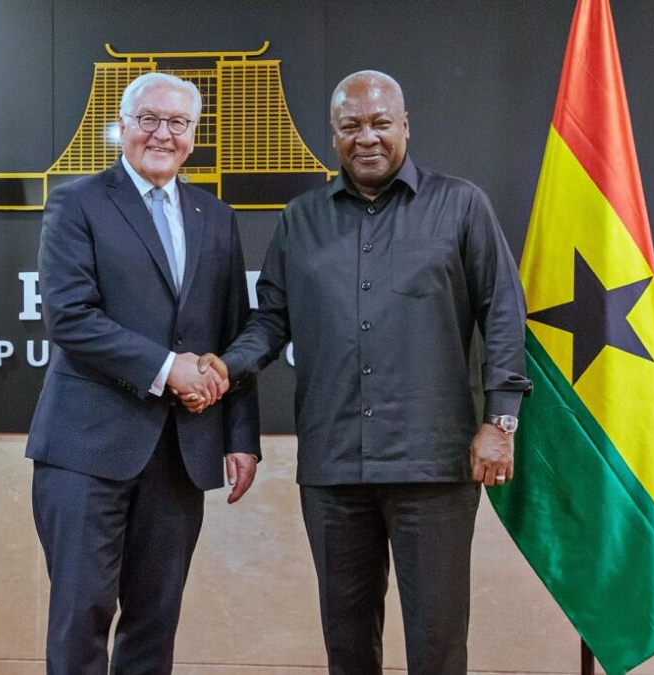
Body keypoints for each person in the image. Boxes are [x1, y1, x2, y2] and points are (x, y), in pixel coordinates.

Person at [190, 71, 532, 674]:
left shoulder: (461, 205)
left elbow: (503, 313)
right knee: (346, 645)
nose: (366, 137)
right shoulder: (300, 219)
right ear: (333, 135)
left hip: (435, 465)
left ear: (405, 126)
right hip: (333, 467)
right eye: (350, 126)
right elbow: (271, 321)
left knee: (438, 644)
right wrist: (226, 363)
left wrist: (500, 422)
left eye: (379, 123)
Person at [26, 71, 260, 675]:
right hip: (86, 450)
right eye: (148, 119)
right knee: (81, 618)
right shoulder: (76, 202)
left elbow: (235, 332)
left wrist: (240, 439)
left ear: (194, 135)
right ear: (122, 127)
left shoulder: (216, 216)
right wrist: (166, 368)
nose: (162, 133)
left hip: (181, 455)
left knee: (156, 623)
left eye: (178, 123)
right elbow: (70, 319)